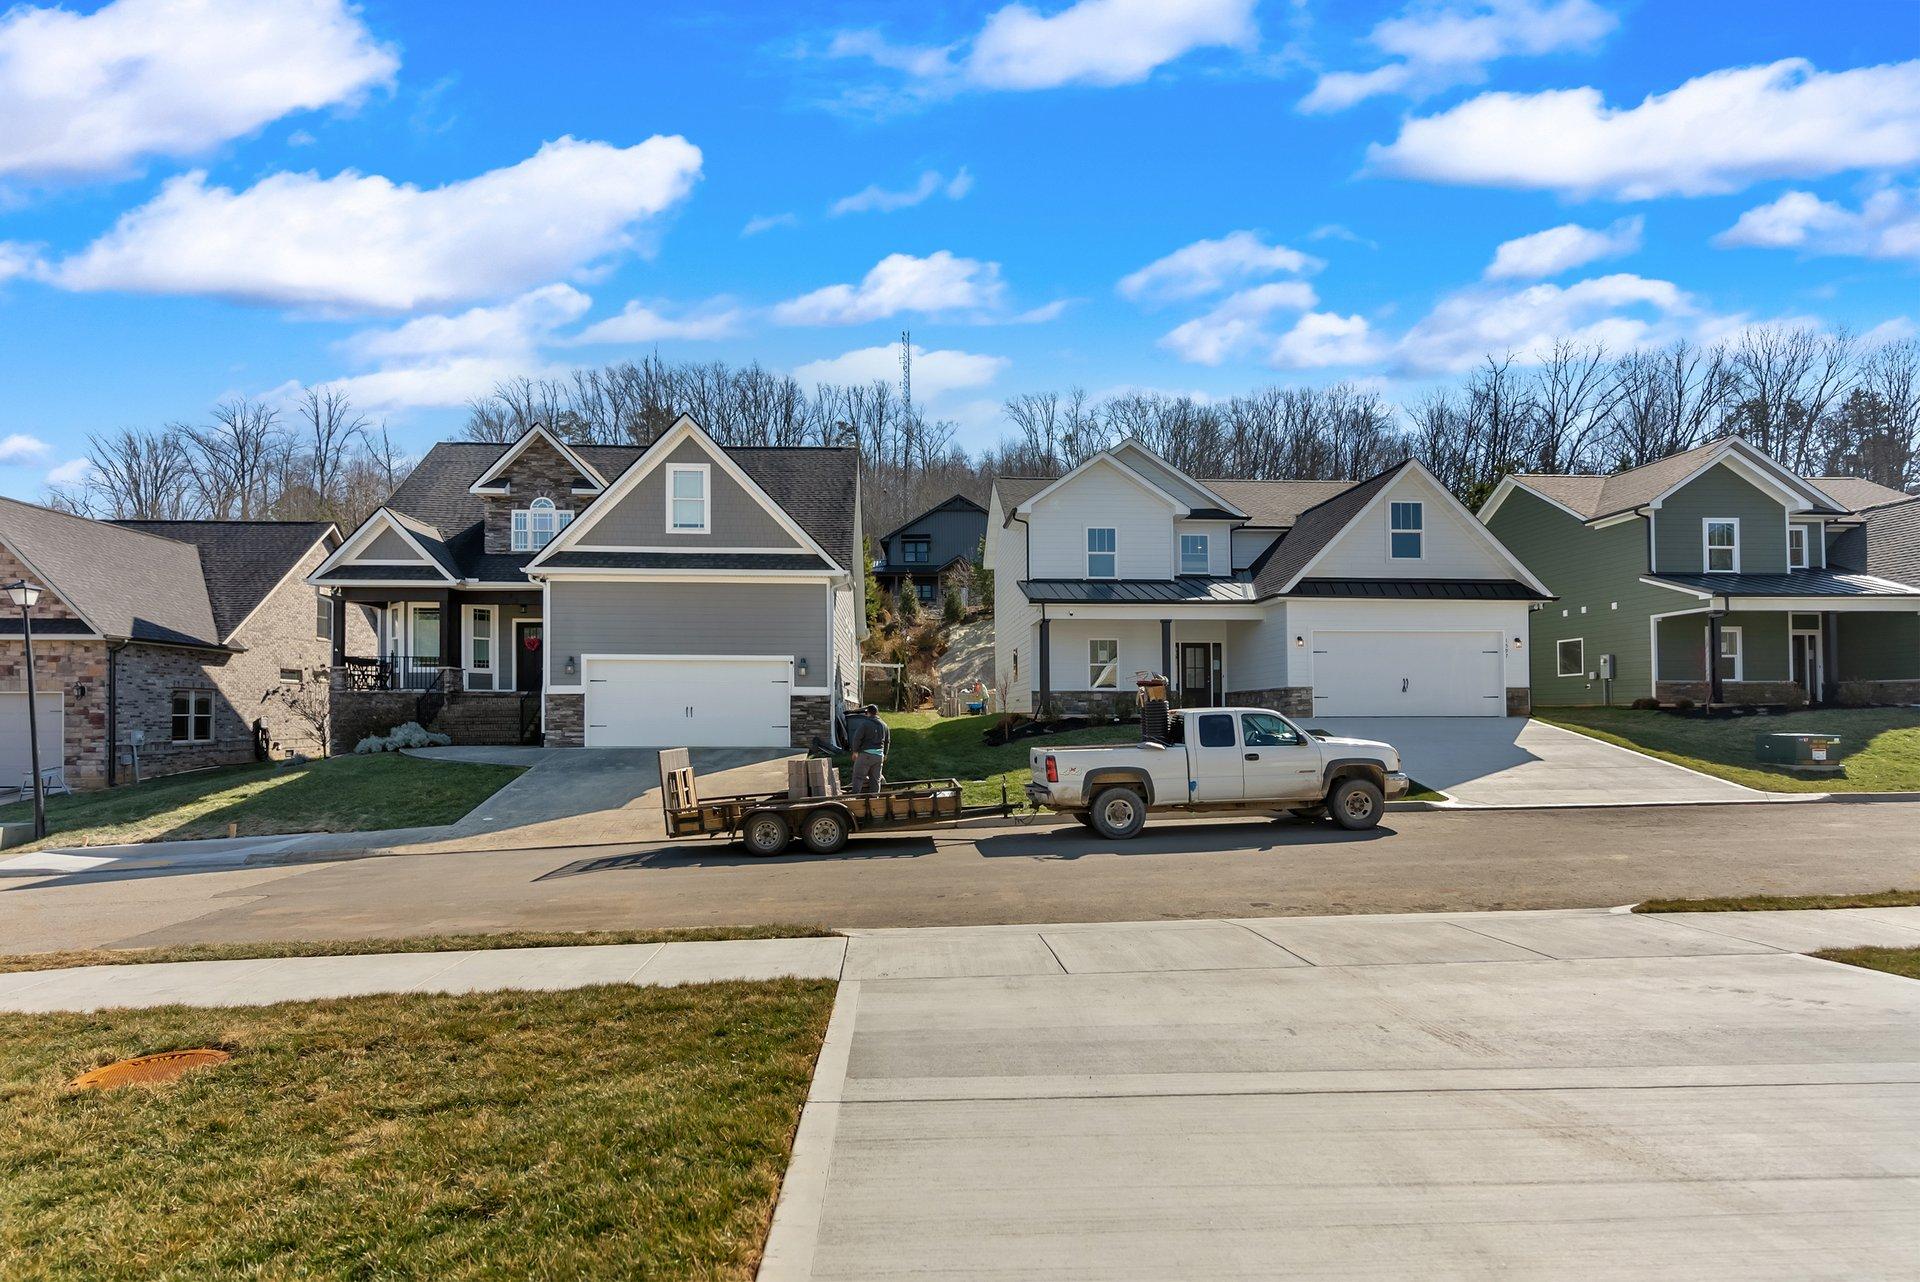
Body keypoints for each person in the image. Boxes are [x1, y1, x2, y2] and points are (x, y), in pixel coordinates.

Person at [847, 703, 889, 793]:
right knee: (876, 780)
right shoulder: (884, 725)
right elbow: (887, 741)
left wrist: (855, 751)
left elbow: (857, 738)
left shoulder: (865, 724)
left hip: (865, 755)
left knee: (858, 777)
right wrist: (885, 753)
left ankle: (855, 798)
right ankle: (875, 801)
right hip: (879, 756)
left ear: (868, 713)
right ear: (877, 713)